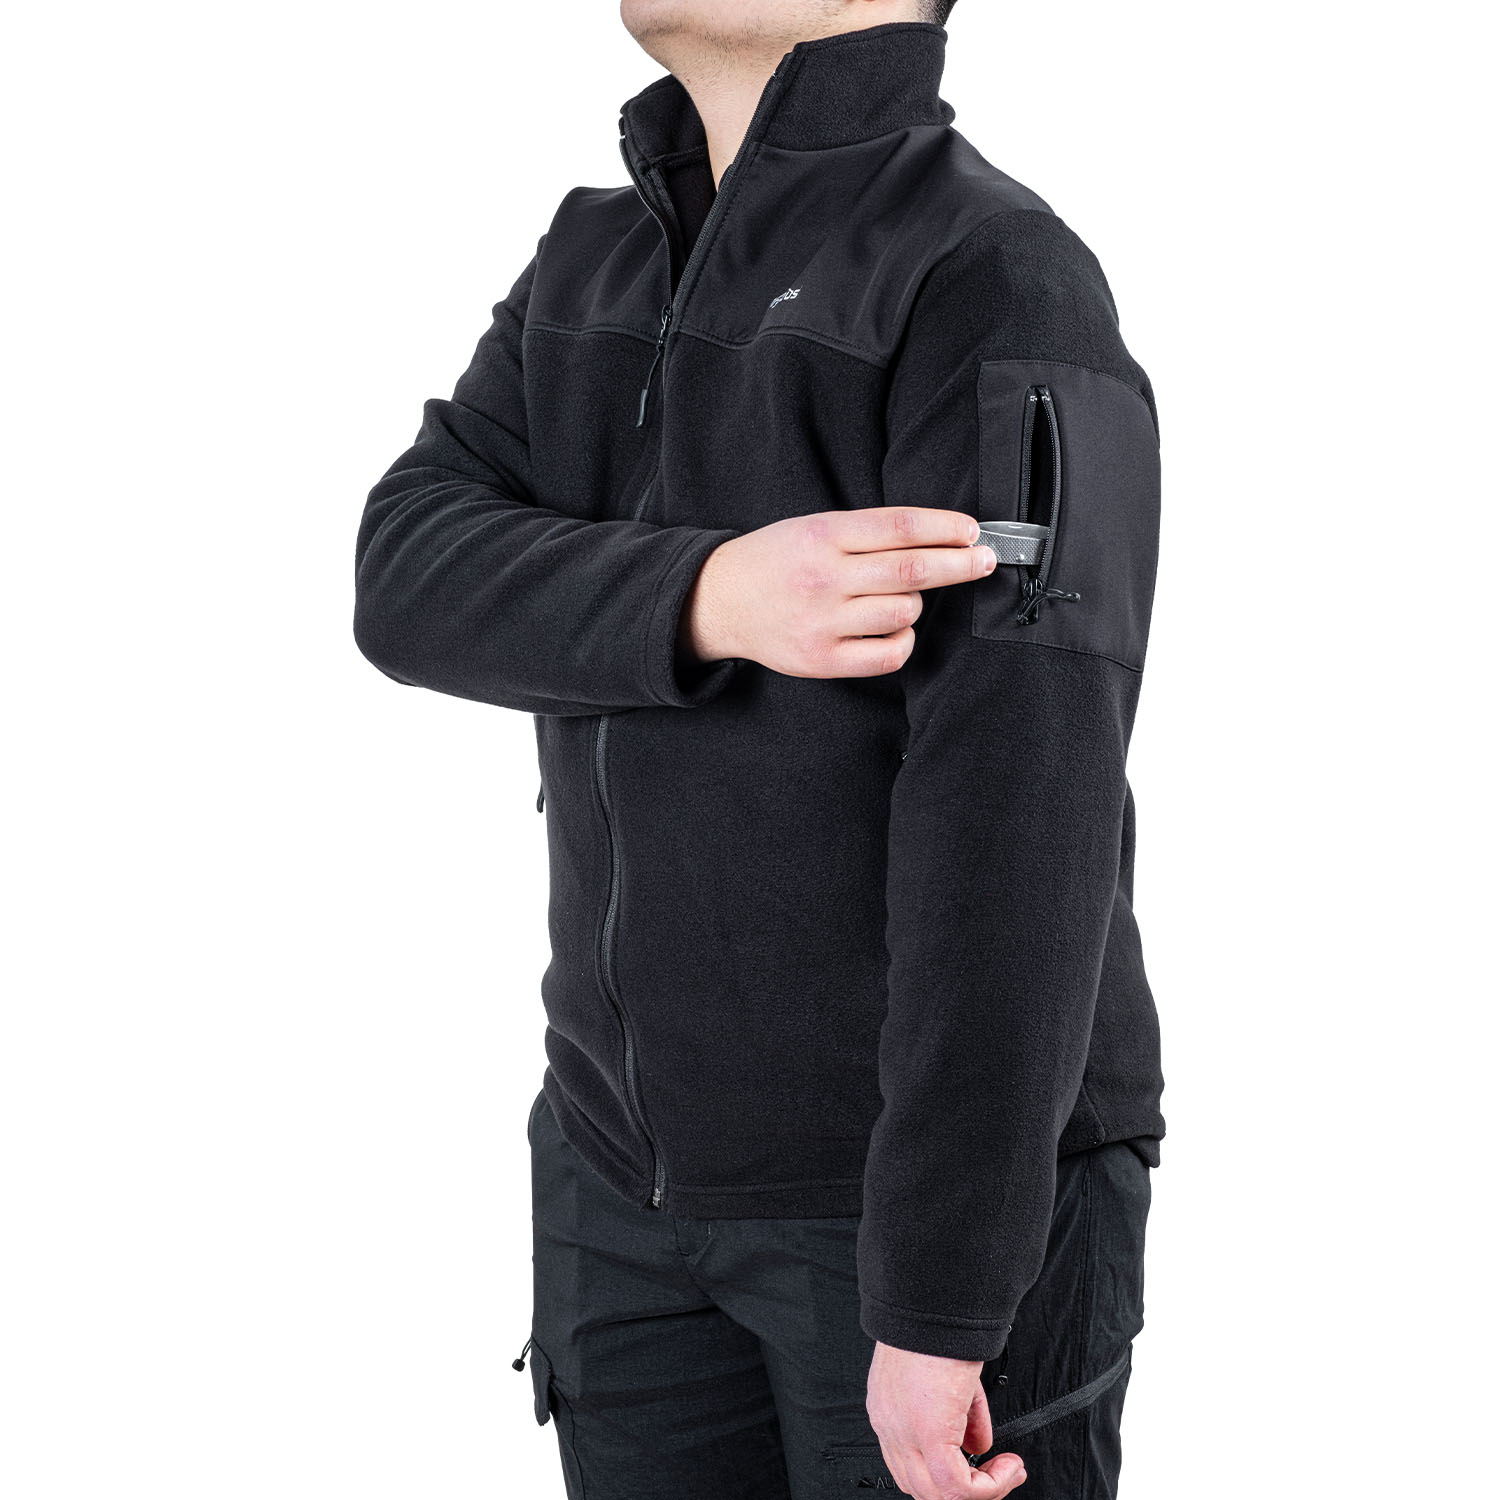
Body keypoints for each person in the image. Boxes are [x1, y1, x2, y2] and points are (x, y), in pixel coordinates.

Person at [353, 2, 1166, 1496]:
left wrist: (943, 1298)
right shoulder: (590, 260)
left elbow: (1024, 818)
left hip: (911, 1216)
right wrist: (712, 595)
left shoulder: (994, 275)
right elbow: (406, 575)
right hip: (616, 1180)